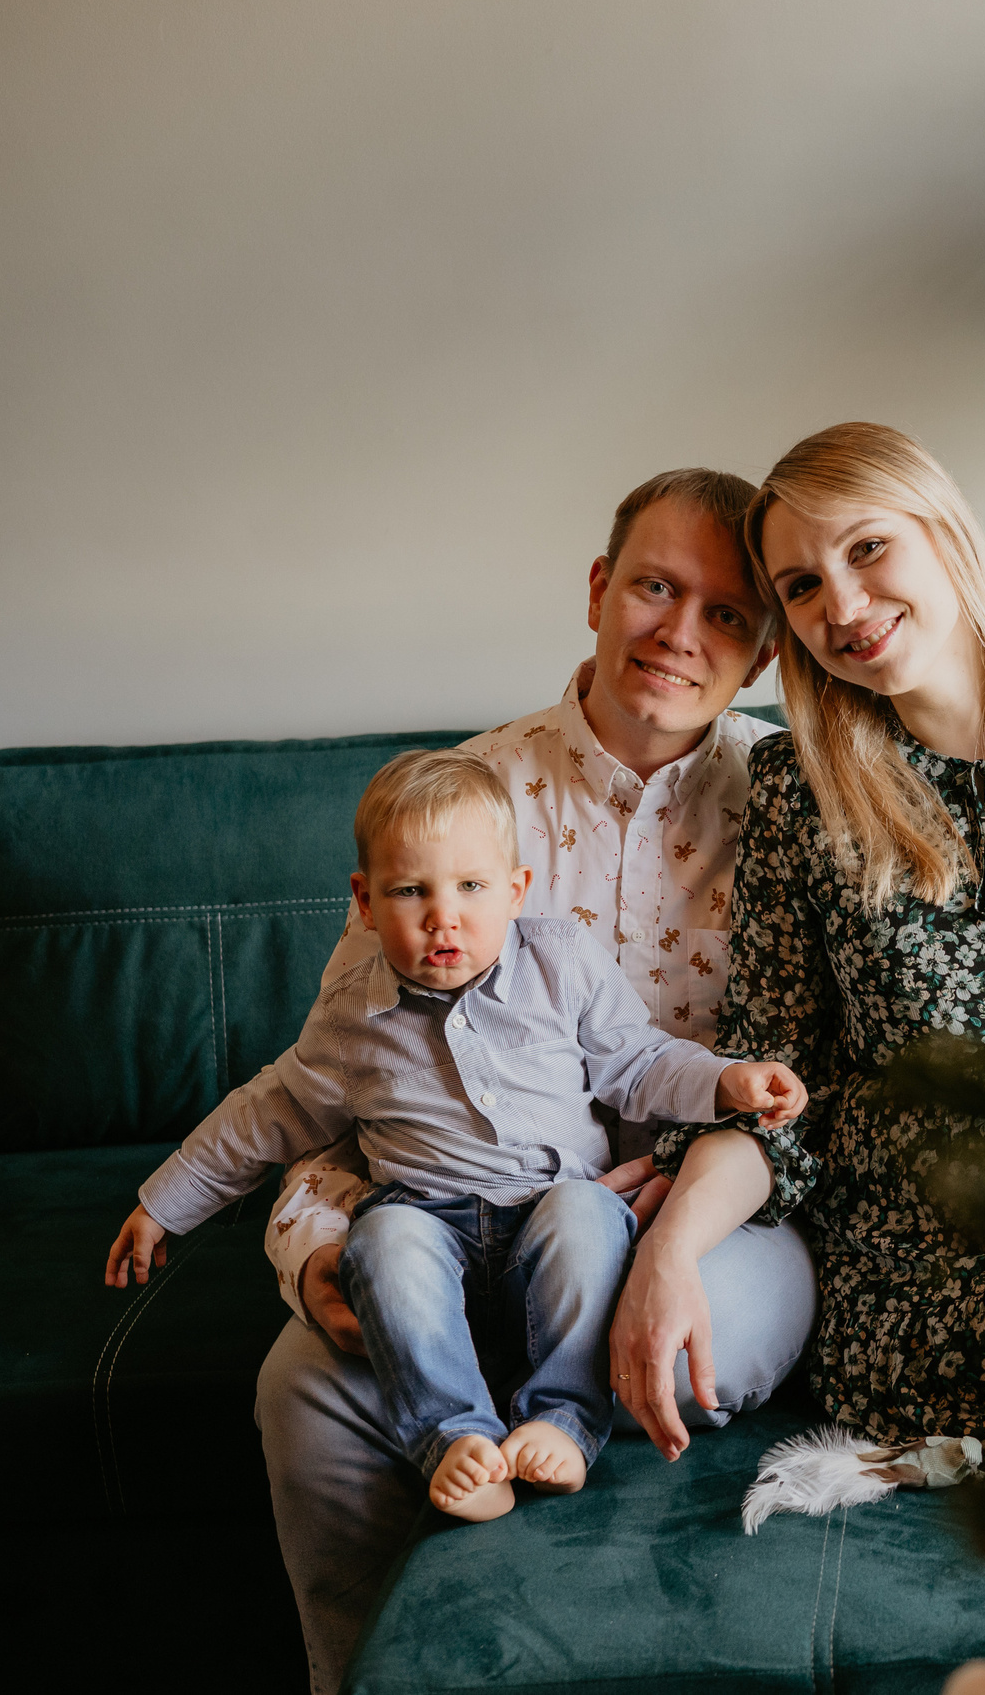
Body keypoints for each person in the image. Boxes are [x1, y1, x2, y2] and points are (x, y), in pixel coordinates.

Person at [226, 469, 820, 1694]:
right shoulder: (458, 798)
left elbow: (788, 1093)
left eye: (723, 613)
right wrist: (311, 1250)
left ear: (759, 652)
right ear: (600, 591)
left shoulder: (796, 810)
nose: (678, 633)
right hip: (455, 1212)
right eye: (656, 588)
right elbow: (340, 1079)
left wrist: (659, 1246)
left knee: (699, 1338)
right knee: (305, 1385)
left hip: (694, 1227)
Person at [608, 422, 985, 1467]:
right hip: (916, 1255)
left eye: (866, 549)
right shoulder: (800, 791)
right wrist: (667, 1253)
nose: (841, 608)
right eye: (800, 586)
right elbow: (774, 1082)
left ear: (945, 534)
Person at [105, 750, 807, 1524]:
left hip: (553, 1207)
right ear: (365, 902)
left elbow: (637, 1064)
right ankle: (455, 1439)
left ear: (515, 892)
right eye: (411, 890)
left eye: (472, 887)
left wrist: (724, 1080)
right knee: (383, 1242)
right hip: (427, 1220)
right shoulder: (351, 1016)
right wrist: (163, 1203)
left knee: (585, 1217)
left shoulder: (560, 962)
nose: (444, 914)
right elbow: (266, 1113)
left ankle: (564, 1419)